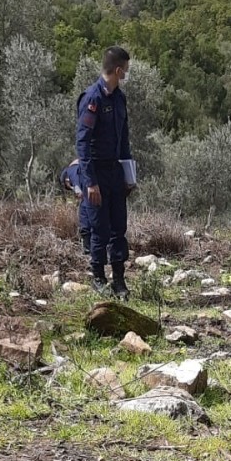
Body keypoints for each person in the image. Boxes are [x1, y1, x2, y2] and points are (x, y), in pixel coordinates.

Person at [76, 46, 134, 300]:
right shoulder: (92, 99)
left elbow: (124, 140)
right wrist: (90, 182)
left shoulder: (119, 99)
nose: (126, 75)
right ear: (118, 70)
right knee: (99, 228)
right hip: (96, 173)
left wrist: (129, 175)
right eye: (125, 70)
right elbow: (83, 143)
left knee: (118, 227)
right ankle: (98, 277)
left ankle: (119, 279)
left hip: (115, 172)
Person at [58, 159, 91, 255]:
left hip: (88, 195)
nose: (70, 188)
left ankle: (88, 249)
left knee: (85, 220)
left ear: (66, 180)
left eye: (68, 187)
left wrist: (78, 191)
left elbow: (76, 183)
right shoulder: (80, 166)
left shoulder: (70, 171)